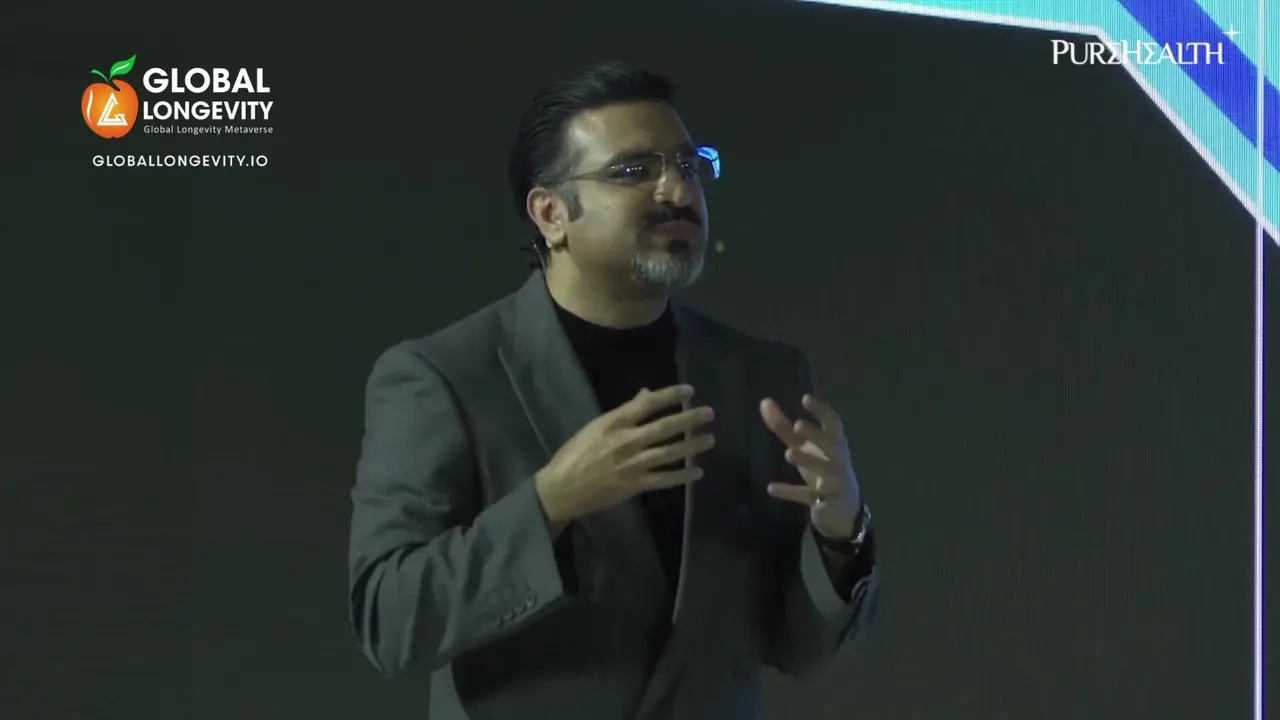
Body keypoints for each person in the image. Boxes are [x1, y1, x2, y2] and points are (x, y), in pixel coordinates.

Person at [347, 61, 879, 720]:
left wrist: (840, 532)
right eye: (633, 171)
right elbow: (390, 623)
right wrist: (551, 500)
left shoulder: (762, 377)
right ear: (551, 214)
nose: (677, 189)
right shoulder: (443, 376)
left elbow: (797, 647)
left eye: (688, 165)